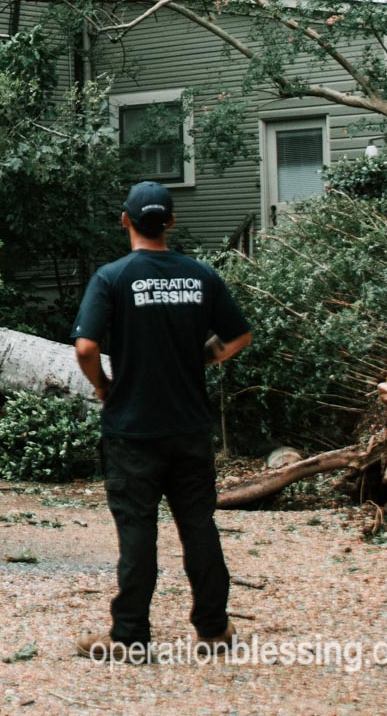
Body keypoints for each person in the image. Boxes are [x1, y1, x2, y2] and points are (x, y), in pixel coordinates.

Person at [71, 181, 252, 661]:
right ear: (170, 222)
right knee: (198, 526)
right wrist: (201, 359)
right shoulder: (201, 277)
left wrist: (103, 386)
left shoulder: (112, 277)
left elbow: (86, 348)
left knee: (137, 533)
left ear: (125, 221)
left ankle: (130, 636)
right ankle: (213, 630)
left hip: (132, 429)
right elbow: (238, 335)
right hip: (189, 426)